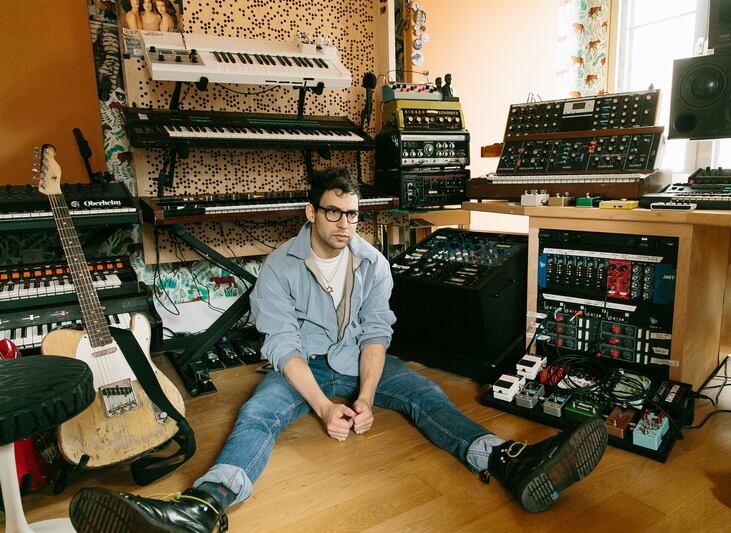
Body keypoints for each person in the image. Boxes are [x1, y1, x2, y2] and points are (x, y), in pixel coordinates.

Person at [69, 168, 608, 533]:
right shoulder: (278, 267)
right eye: (333, 213)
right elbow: (281, 346)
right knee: (255, 414)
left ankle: (507, 460)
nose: (345, 224)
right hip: (304, 368)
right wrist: (325, 407)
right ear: (310, 212)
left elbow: (376, 332)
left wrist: (367, 397)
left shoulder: (373, 262)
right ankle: (202, 509)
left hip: (356, 361)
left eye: (352, 214)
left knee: (425, 392)